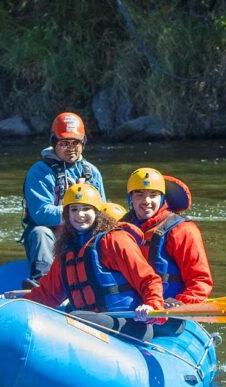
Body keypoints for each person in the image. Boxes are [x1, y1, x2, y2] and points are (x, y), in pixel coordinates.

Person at [24, 183, 164, 340]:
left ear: (97, 212)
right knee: (68, 315)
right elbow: (47, 294)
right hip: (88, 323)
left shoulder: (115, 240)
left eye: (86, 208)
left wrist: (152, 305)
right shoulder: (66, 250)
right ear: (67, 215)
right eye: (74, 209)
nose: (80, 214)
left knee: (72, 317)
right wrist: (18, 307)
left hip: (129, 324)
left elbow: (148, 279)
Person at [21, 112, 106, 287]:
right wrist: (75, 210)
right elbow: (41, 214)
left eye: (76, 143)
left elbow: (103, 211)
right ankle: (42, 283)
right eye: (64, 143)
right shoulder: (39, 172)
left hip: (84, 233)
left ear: (83, 143)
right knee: (40, 232)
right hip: (52, 237)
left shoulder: (92, 172)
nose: (71, 148)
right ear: (54, 142)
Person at [121, 167, 213, 306]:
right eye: (139, 194)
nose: (146, 201)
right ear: (130, 198)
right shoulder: (120, 229)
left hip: (168, 309)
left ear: (162, 197)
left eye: (153, 195)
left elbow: (200, 280)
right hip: (131, 309)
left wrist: (180, 304)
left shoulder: (182, 230)